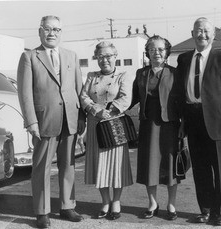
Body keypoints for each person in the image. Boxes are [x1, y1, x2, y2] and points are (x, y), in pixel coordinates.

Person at [17, 15, 86, 228]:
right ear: (40, 31)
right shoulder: (29, 57)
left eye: (56, 29)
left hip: (70, 119)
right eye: (47, 29)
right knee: (41, 167)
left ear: (61, 33)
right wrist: (31, 122)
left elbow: (79, 89)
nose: (52, 33)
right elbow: (25, 93)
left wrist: (82, 117)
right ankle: (42, 212)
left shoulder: (71, 56)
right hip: (44, 120)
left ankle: (67, 206)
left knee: (69, 165)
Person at [176, 17, 221, 226]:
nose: (202, 34)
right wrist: (181, 121)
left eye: (206, 31)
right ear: (192, 33)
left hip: (218, 122)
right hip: (193, 121)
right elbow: (179, 91)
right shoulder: (184, 59)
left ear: (213, 35)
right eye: (198, 31)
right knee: (201, 169)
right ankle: (205, 209)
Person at [129, 35, 183, 221]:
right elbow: (133, 99)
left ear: (167, 52)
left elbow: (182, 101)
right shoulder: (140, 73)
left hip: (170, 126)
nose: (157, 52)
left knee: (170, 167)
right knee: (149, 166)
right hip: (148, 126)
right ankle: (152, 203)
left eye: (160, 49)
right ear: (147, 52)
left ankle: (171, 204)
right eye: (153, 49)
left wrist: (184, 124)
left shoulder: (175, 73)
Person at [80, 41, 133, 220]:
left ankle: (116, 201)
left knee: (117, 165)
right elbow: (83, 96)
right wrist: (96, 110)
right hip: (95, 124)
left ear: (115, 56)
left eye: (108, 56)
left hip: (115, 123)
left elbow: (126, 98)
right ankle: (105, 201)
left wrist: (110, 112)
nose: (105, 60)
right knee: (99, 165)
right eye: (100, 56)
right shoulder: (91, 76)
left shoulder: (123, 75)